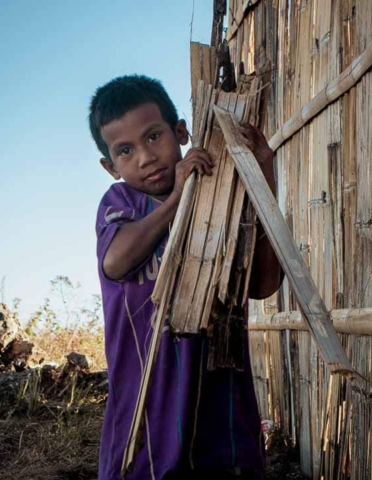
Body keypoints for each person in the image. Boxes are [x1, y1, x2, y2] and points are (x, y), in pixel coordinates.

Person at [89, 74, 282, 480]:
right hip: (147, 411)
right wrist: (178, 199)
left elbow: (264, 284)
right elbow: (116, 262)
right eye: (125, 151)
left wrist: (263, 175)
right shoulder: (121, 204)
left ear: (180, 132)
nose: (145, 156)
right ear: (110, 166)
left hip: (221, 410)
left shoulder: (221, 196)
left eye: (154, 136)